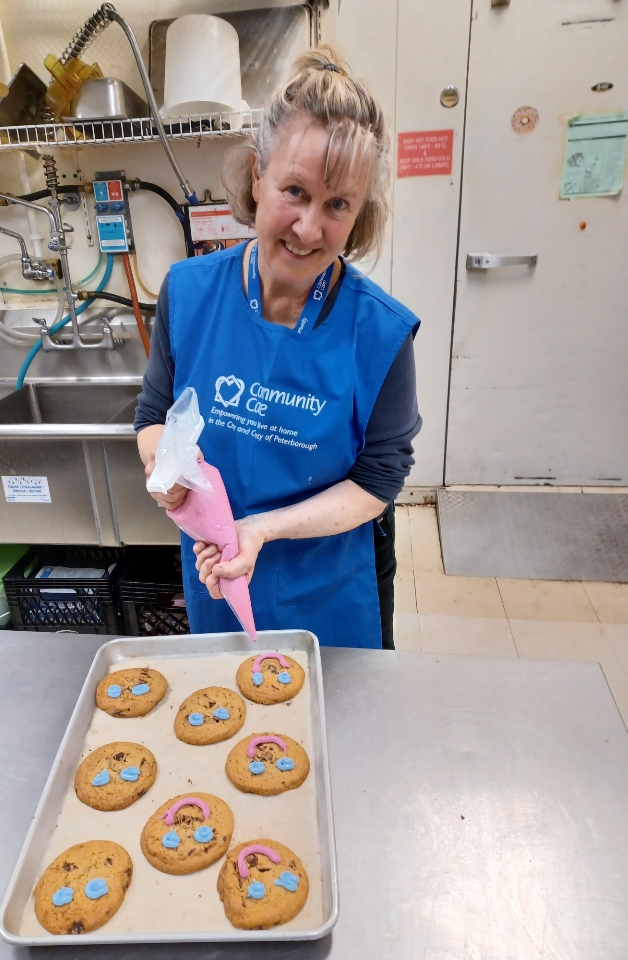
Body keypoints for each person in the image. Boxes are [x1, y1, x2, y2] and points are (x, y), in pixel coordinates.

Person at [135, 46, 421, 649]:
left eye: (337, 204)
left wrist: (262, 530)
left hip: (331, 588)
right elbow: (153, 417)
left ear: (359, 213)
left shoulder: (380, 335)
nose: (310, 227)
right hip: (218, 578)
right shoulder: (188, 293)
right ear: (256, 176)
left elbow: (377, 480)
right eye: (295, 190)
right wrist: (166, 470)